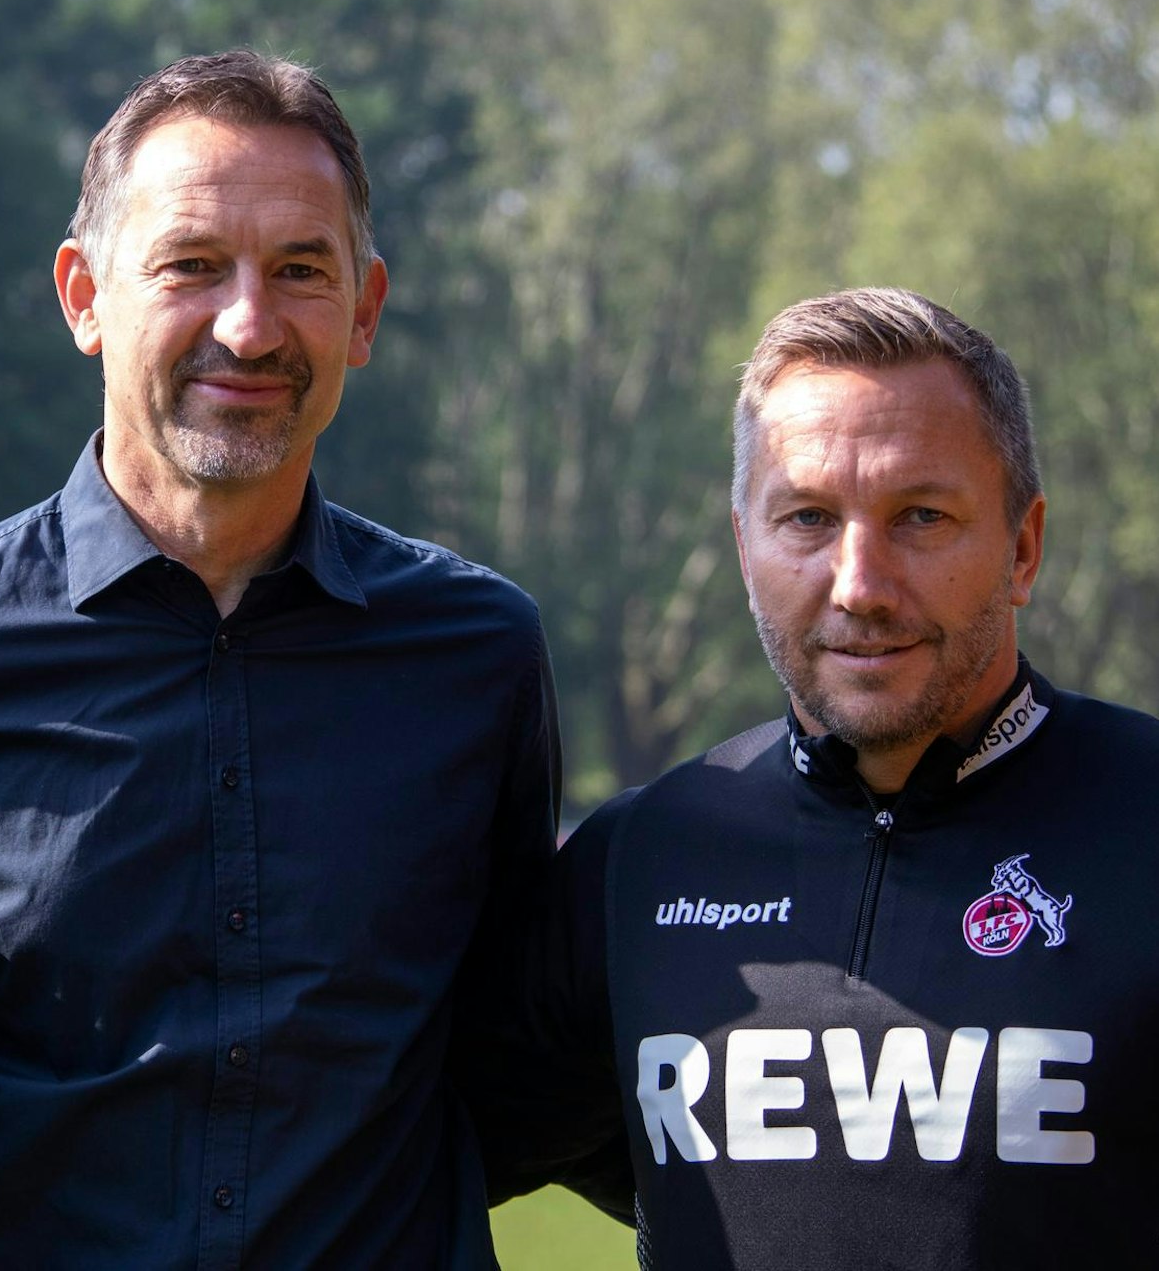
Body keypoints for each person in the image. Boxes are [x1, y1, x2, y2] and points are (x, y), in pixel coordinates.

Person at [0, 49, 560, 1268]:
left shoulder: (478, 656)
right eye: (192, 265)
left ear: (365, 311)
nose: (248, 324)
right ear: (85, 296)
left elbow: (510, 1062)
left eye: (301, 270)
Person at [471, 287, 1159, 1266]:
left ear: (1023, 547)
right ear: (747, 548)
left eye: (921, 515)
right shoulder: (644, 859)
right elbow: (383, 1161)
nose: (860, 584)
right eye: (807, 517)